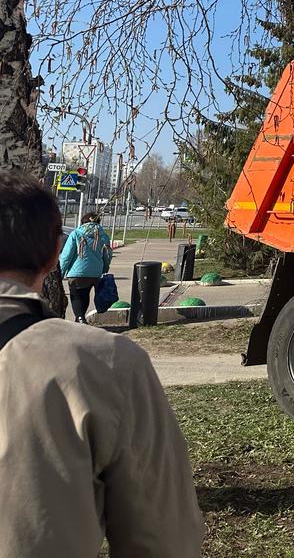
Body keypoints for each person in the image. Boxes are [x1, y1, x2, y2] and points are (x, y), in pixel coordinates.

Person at [0, 171, 204, 557]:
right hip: (89, 278)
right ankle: (79, 321)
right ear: (51, 254)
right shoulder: (109, 365)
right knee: (83, 309)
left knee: (79, 304)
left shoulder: (79, 236)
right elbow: (164, 541)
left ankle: (78, 317)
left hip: (77, 276)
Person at [59, 212, 112, 324]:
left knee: (77, 295)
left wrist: (61, 272)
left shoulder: (76, 234)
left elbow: (67, 255)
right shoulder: (103, 236)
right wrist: (105, 268)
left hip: (77, 272)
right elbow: (107, 255)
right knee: (86, 294)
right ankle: (80, 319)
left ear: (83, 222)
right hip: (95, 273)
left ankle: (80, 318)